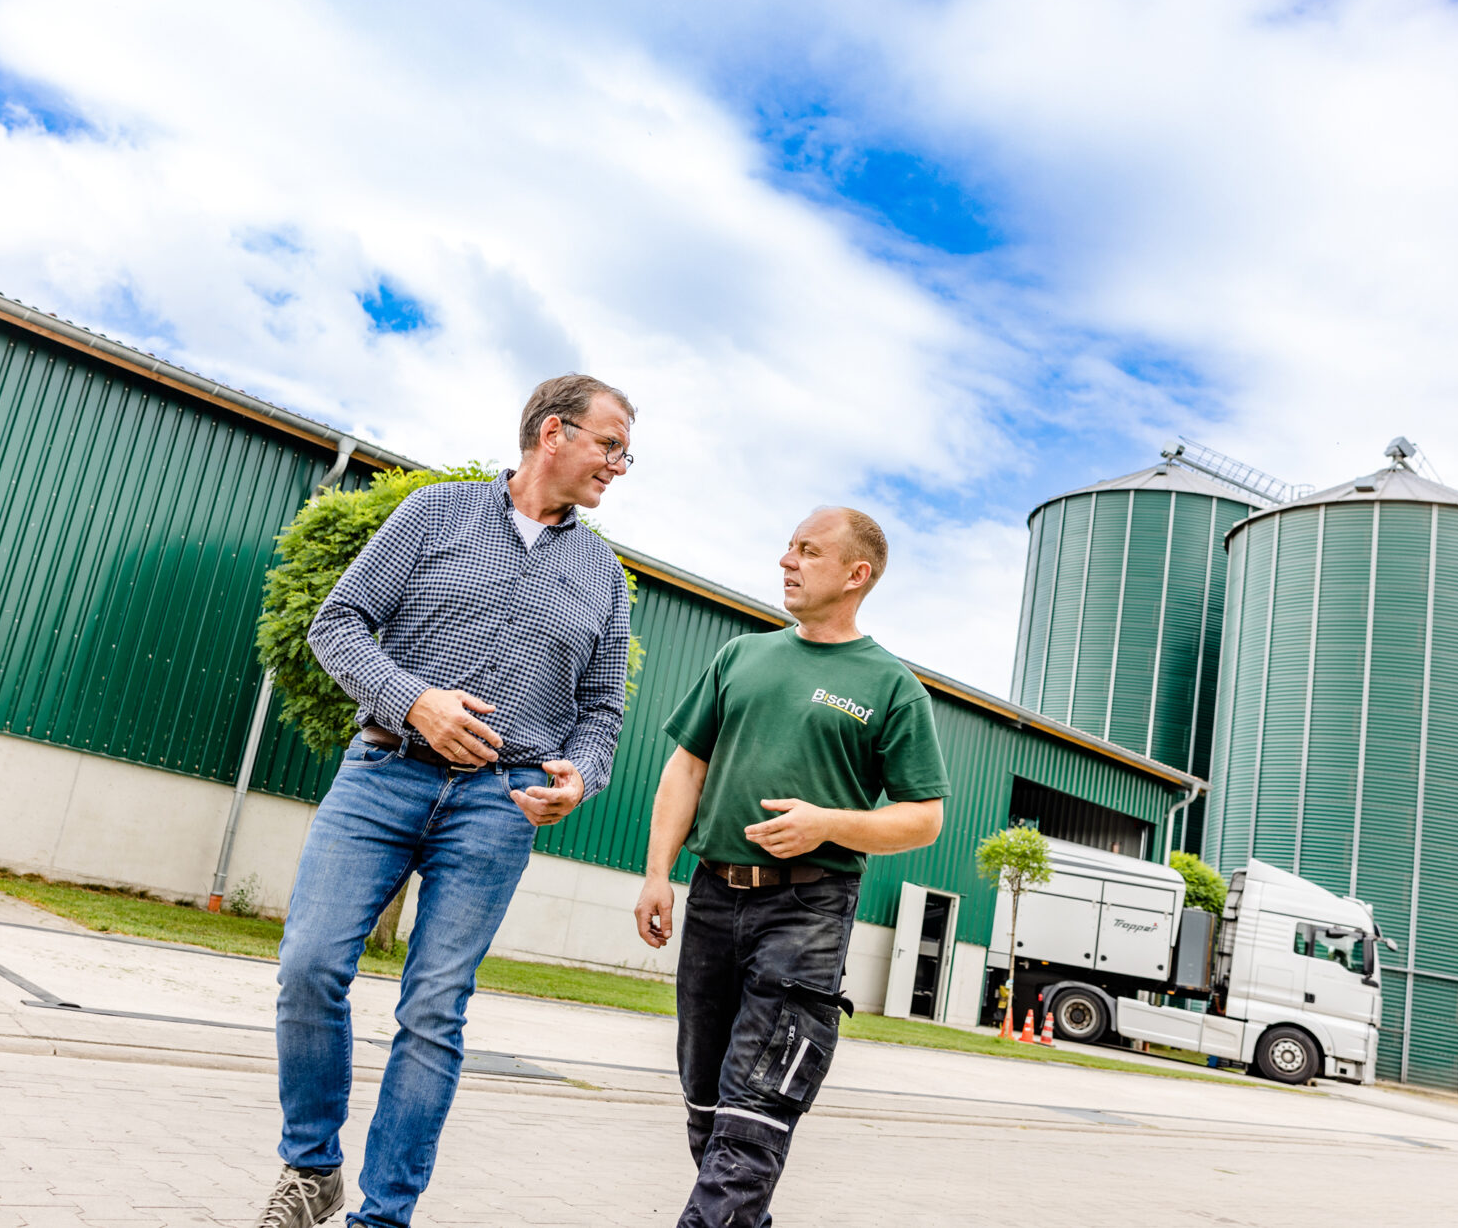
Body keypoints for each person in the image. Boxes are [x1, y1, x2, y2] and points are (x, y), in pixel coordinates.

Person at [258, 374, 636, 1228]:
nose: (619, 465)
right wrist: (411, 697)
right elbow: (338, 623)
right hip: (384, 773)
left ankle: (383, 1216)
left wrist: (581, 773)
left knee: (433, 1007)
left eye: (625, 452)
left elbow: (603, 709)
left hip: (499, 805)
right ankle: (311, 1167)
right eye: (610, 445)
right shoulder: (433, 515)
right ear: (552, 433)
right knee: (310, 966)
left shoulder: (604, 576)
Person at [634, 506, 950, 1228]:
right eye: (788, 547)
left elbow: (924, 816)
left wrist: (827, 824)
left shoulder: (890, 686)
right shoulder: (741, 657)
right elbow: (685, 770)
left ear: (855, 574)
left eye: (808, 551)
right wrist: (658, 873)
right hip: (714, 897)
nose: (788, 561)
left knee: (757, 1113)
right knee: (708, 1109)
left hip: (807, 912)